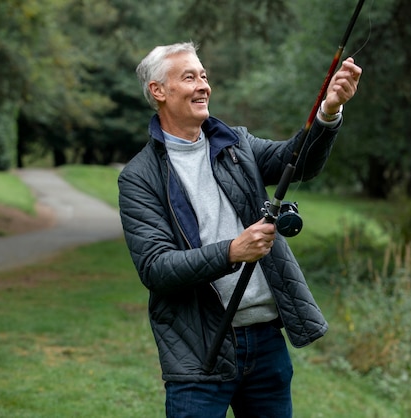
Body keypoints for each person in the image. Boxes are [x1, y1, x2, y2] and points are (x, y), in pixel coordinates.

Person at [118, 41, 361, 418]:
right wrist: (233, 251)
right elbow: (156, 268)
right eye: (189, 77)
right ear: (159, 91)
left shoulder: (237, 144)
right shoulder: (139, 178)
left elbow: (295, 162)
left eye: (204, 76)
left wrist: (329, 111)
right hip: (197, 348)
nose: (203, 85)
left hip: (266, 343)